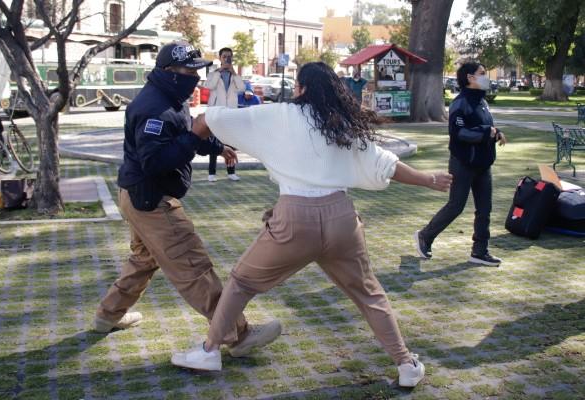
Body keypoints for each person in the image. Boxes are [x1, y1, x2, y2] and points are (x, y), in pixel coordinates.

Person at [171, 62, 453, 388]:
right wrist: (428, 179)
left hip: (293, 221)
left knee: (241, 282)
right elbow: (384, 164)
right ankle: (406, 364)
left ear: (301, 88)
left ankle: (209, 350)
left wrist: (187, 139)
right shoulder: (341, 125)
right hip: (341, 221)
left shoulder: (276, 115)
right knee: (369, 294)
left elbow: (211, 117)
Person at [93, 41, 282, 358]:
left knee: (143, 260)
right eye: (189, 70)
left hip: (135, 195)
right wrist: (196, 136)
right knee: (193, 265)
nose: (196, 76)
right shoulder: (154, 108)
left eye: (198, 70)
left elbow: (181, 132)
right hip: (152, 201)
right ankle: (238, 334)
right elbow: (156, 161)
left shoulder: (170, 97)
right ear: (170, 71)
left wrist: (214, 146)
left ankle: (108, 315)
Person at [414, 62, 507, 266]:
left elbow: (484, 127)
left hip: (483, 165)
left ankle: (479, 251)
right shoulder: (460, 103)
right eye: (482, 74)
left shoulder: (482, 102)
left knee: (485, 208)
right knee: (456, 206)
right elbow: (459, 133)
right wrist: (485, 132)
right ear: (470, 78)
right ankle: (425, 236)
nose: (486, 77)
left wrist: (496, 133)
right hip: (462, 164)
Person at [204, 47, 245, 182]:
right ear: (220, 58)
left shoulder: (235, 74)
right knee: (214, 143)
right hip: (217, 111)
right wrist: (219, 72)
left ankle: (231, 172)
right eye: (224, 56)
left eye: (229, 56)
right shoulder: (213, 72)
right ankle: (212, 173)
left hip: (230, 112)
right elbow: (209, 86)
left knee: (230, 143)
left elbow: (242, 89)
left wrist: (234, 72)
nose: (227, 58)